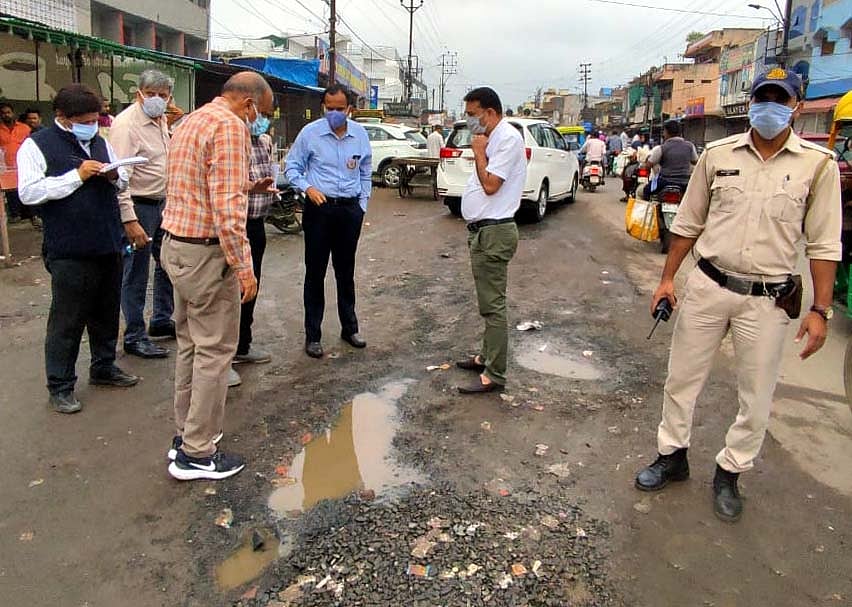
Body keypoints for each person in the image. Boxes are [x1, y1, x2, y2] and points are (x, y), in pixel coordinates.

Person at [634, 68, 842, 522]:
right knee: (681, 379)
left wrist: (820, 310)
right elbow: (688, 223)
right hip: (708, 284)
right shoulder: (717, 154)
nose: (770, 106)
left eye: (780, 99)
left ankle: (730, 471)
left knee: (756, 393)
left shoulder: (817, 165)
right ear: (751, 103)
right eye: (763, 97)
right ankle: (673, 455)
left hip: (767, 300)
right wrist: (667, 280)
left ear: (796, 107)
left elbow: (825, 244)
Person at [161, 71, 274, 481]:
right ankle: (198, 453)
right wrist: (244, 267)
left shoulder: (192, 120)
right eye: (260, 114)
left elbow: (200, 184)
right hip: (207, 255)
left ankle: (186, 436)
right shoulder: (230, 127)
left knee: (191, 346)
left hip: (178, 246)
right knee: (214, 353)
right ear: (248, 105)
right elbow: (227, 210)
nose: (258, 122)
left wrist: (249, 186)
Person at [17, 84, 139, 413]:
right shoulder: (37, 145)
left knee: (106, 312)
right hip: (69, 248)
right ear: (63, 117)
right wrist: (76, 176)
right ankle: (60, 385)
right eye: (85, 119)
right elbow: (28, 193)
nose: (93, 124)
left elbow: (123, 177)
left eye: (95, 118)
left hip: (108, 242)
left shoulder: (100, 142)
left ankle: (103, 367)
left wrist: (116, 177)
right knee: (67, 320)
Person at [285, 84, 372, 359]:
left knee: (345, 272)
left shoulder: (360, 134)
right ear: (324, 107)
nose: (333, 113)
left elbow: (366, 169)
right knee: (315, 273)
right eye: (329, 108)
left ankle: (350, 328)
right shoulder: (310, 134)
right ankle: (313, 336)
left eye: (339, 109)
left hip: (349, 210)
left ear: (350, 109)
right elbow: (292, 167)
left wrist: (362, 204)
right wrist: (307, 188)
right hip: (319, 211)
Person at [453, 87, 526, 394]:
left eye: (473, 115)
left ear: (491, 113)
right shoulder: (492, 138)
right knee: (488, 303)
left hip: (495, 232)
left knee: (493, 307)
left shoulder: (507, 139)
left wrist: (480, 153)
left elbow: (492, 185)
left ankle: (495, 374)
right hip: (484, 231)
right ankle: (486, 356)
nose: (469, 121)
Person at [110, 69, 176, 360]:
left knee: (167, 263)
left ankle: (161, 319)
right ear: (139, 93)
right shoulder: (127, 125)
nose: (157, 100)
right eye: (151, 94)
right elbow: (120, 175)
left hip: (162, 203)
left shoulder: (161, 120)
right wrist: (129, 218)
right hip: (138, 205)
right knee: (135, 272)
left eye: (162, 95)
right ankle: (134, 335)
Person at [234, 109, 276, 369]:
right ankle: (220, 359)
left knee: (251, 287)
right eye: (262, 114)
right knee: (230, 292)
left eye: (269, 115)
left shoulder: (264, 142)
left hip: (257, 223)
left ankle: (242, 345)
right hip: (235, 224)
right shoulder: (232, 141)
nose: (264, 120)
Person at [641, 119, 698, 200]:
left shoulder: (662, 148)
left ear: (666, 132)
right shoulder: (690, 146)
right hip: (685, 183)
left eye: (664, 131)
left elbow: (648, 165)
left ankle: (648, 212)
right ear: (680, 132)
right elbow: (696, 162)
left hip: (664, 182)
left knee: (646, 190)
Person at [1, 101, 34, 226]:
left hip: (24, 163)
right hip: (7, 166)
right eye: (3, 113)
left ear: (13, 113)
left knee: (26, 187)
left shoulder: (24, 128)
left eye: (8, 112)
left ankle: (31, 215)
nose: (6, 115)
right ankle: (15, 215)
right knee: (11, 191)